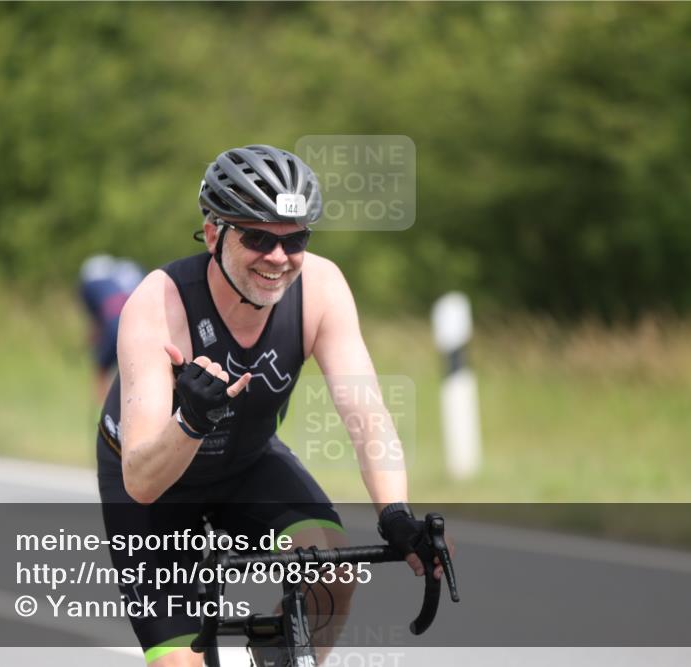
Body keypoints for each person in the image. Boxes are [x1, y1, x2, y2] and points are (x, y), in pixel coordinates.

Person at [96, 145, 443, 666]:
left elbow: (367, 414)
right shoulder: (159, 303)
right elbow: (142, 481)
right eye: (257, 237)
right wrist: (190, 419)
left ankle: (278, 653)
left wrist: (395, 514)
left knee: (331, 570)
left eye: (294, 239)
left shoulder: (321, 288)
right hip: (156, 491)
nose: (278, 258)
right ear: (214, 233)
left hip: (246, 462)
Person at [79, 254, 145, 400]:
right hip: (143, 324)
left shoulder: (89, 286)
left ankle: (104, 409)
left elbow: (98, 323)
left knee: (101, 370)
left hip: (114, 325)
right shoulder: (130, 272)